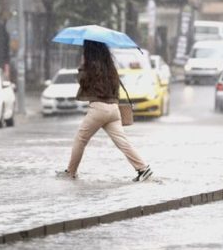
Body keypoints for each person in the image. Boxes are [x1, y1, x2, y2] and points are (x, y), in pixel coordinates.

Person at [56, 40, 153, 182]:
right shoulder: (110, 67)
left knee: (80, 139)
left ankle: (71, 172)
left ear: (89, 51)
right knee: (123, 142)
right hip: (114, 109)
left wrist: (83, 65)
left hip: (99, 108)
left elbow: (83, 82)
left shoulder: (90, 66)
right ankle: (143, 169)